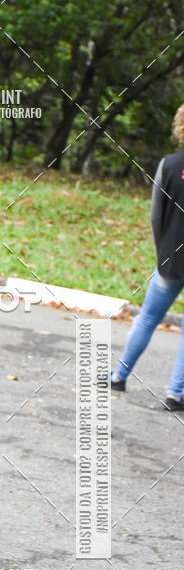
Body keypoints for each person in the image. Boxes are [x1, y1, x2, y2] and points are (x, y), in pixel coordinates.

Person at [111, 102, 184, 410]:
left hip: (169, 260)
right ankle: (175, 394)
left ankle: (118, 377)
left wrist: (162, 252)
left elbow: (156, 216)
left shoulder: (168, 165)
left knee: (148, 318)